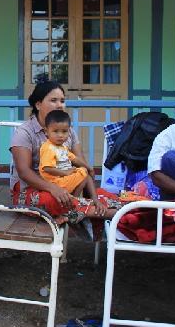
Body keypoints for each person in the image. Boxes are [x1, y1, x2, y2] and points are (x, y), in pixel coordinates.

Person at [10, 77, 107, 220]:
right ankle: (91, 211)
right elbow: (24, 172)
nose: (60, 105)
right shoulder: (24, 132)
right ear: (38, 104)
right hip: (33, 189)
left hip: (64, 187)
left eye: (62, 100)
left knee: (100, 194)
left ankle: (84, 207)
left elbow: (80, 164)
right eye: (53, 100)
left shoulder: (68, 132)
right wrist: (53, 188)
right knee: (51, 200)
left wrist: (91, 190)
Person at [39, 110, 96, 200]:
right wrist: (65, 172)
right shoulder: (48, 148)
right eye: (56, 131)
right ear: (46, 131)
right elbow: (47, 168)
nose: (60, 135)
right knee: (83, 173)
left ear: (69, 131)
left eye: (64, 131)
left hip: (64, 179)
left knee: (84, 171)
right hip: (55, 182)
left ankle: (75, 198)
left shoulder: (62, 147)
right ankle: (74, 199)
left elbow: (74, 159)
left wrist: (90, 168)